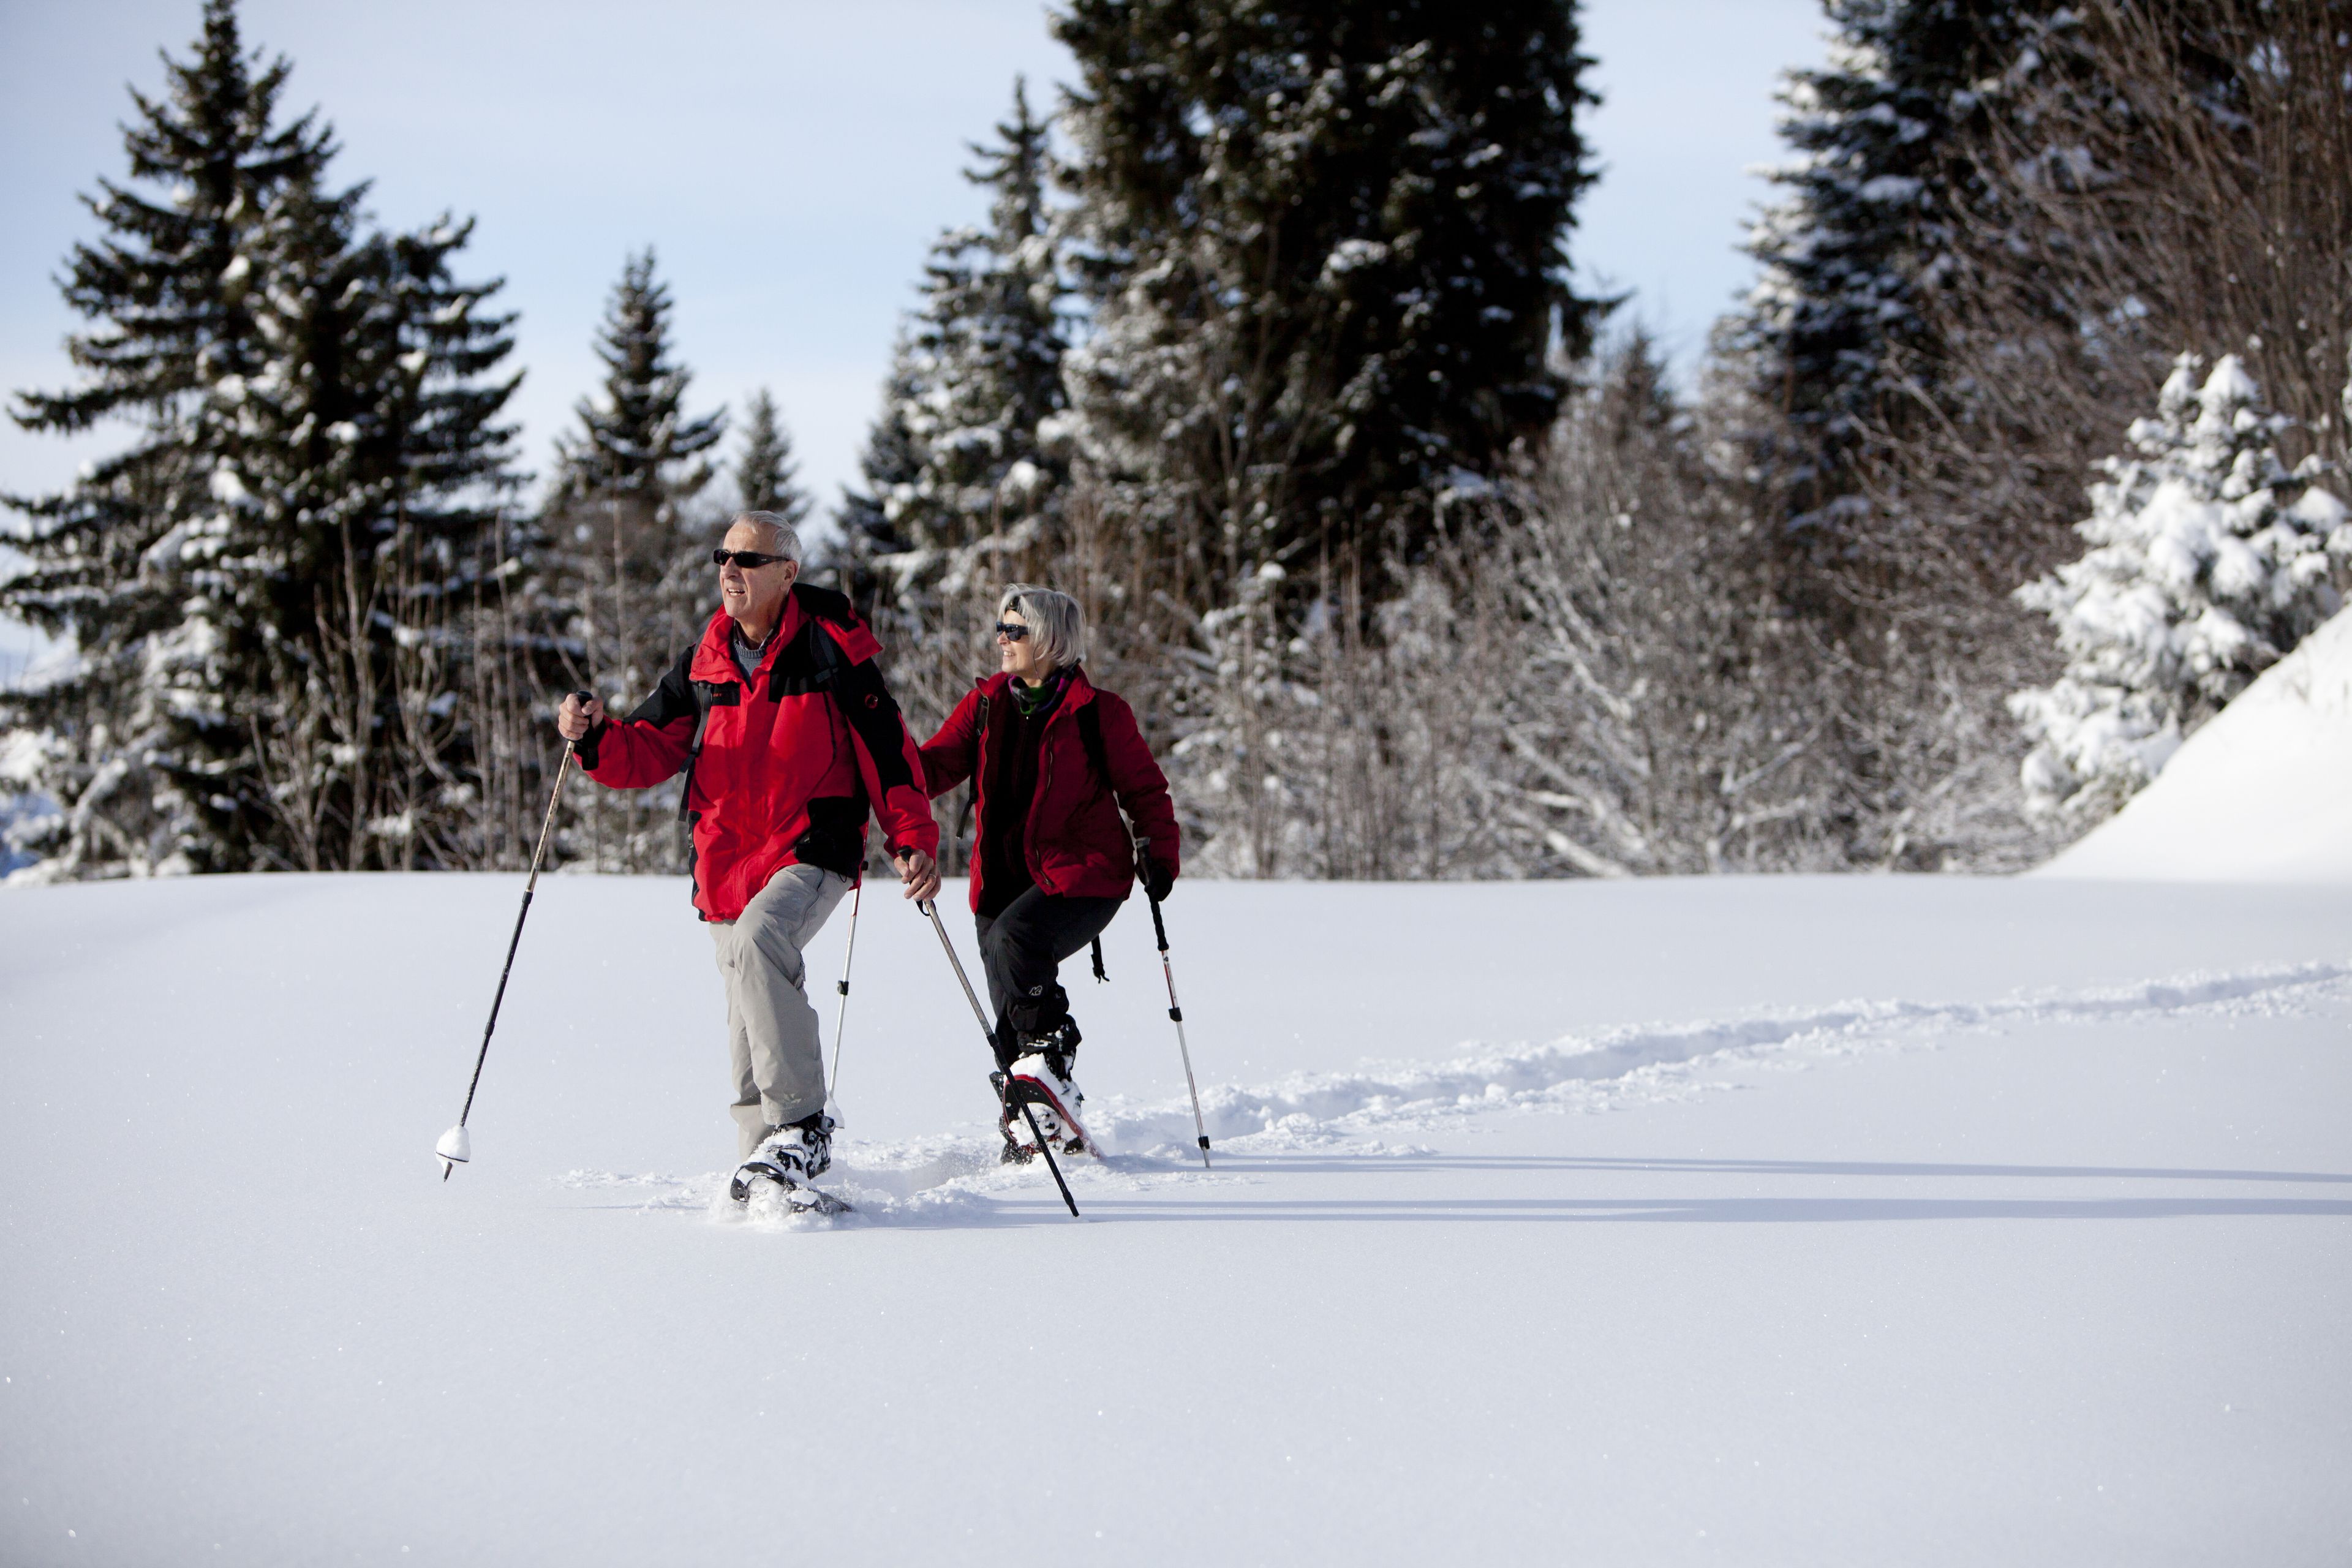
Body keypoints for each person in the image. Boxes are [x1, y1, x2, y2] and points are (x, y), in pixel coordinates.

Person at [556, 511, 941, 1204]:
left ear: (787, 574)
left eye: (748, 558)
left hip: (812, 846)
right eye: (723, 556)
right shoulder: (706, 661)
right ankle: (766, 1173)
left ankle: (801, 1126)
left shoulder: (833, 650)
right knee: (745, 1022)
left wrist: (911, 837)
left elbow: (891, 753)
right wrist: (593, 736)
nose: (730, 569)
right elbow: (646, 747)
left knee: (763, 942)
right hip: (727, 864)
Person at [918, 584, 1179, 1158]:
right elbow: (934, 764)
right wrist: (879, 763)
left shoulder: (1099, 712)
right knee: (1007, 1003)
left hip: (1085, 874)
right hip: (1001, 879)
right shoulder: (986, 702)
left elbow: (1145, 789)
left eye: (1016, 630)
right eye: (1001, 628)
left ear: (1051, 639)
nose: (1002, 640)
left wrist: (1159, 852)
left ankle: (1053, 1054)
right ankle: (1037, 1125)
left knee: (1018, 943)